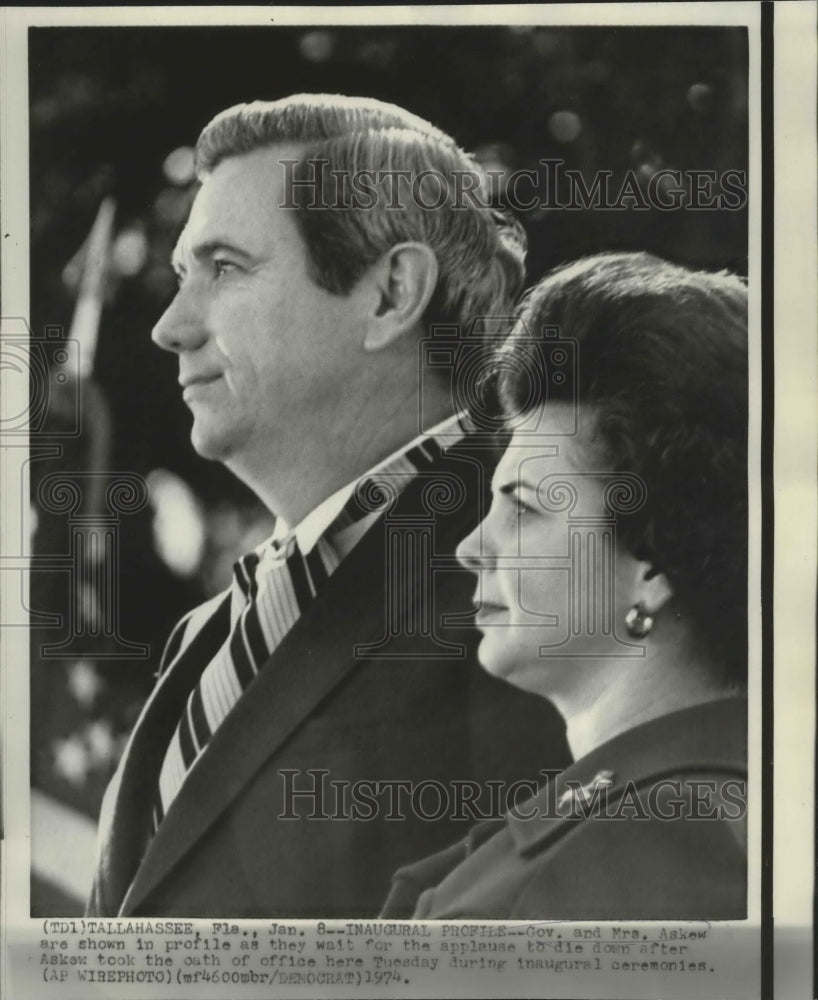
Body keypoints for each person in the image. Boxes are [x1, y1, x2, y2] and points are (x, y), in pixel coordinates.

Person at [86, 94, 568, 917]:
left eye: (225, 268)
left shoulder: (547, 586)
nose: (171, 325)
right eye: (180, 276)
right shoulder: (204, 637)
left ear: (389, 294)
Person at [382, 251, 749, 920]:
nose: (471, 548)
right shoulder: (642, 822)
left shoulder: (655, 844)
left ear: (653, 560)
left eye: (522, 507)